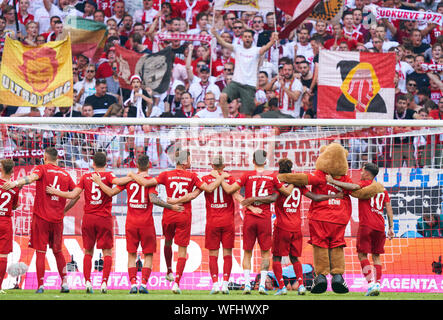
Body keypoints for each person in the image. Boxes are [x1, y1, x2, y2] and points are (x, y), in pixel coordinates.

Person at [127, 149, 226, 294]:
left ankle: (169, 271)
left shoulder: (166, 174)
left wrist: (131, 174)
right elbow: (210, 188)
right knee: (182, 250)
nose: (191, 162)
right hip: (183, 214)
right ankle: (176, 284)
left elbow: (144, 182)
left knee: (168, 241)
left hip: (168, 214)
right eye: (190, 159)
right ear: (185, 161)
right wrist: (221, 177)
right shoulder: (192, 176)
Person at [242, 158, 343, 296]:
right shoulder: (298, 184)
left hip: (282, 226)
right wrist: (336, 195)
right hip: (296, 227)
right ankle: (301, 286)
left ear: (280, 169)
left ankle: (282, 287)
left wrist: (254, 199)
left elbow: (272, 199)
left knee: (276, 258)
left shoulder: (279, 184)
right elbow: (315, 197)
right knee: (295, 258)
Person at [90, 154, 184, 294]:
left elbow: (110, 192)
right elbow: (153, 199)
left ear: (136, 165)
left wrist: (99, 181)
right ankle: (144, 284)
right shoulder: (151, 181)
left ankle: (133, 284)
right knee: (148, 254)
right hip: (146, 223)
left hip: (131, 223)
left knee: (132, 254)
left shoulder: (129, 181)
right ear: (150, 165)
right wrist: (171, 207)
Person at [167, 155, 260, 294]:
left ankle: (215, 284)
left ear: (212, 166)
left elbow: (192, 195)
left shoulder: (205, 179)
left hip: (212, 222)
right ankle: (225, 284)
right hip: (228, 221)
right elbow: (238, 197)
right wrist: (251, 208)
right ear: (224, 166)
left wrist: (175, 200)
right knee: (227, 253)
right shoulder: (229, 178)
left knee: (213, 254)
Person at [46, 151, 131, 294]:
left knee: (88, 252)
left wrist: (56, 192)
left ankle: (87, 282)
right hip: (104, 218)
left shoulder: (86, 176)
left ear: (93, 163)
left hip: (89, 218)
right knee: (107, 252)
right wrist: (131, 176)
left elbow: (73, 194)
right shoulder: (109, 175)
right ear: (106, 163)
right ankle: (104, 283)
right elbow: (117, 183)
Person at [2, 147, 77, 293]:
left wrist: (15, 183)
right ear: (58, 159)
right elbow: (76, 195)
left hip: (41, 218)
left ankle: (41, 285)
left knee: (40, 251)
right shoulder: (65, 174)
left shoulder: (41, 168)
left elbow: (31, 178)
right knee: (58, 251)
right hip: (57, 219)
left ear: (45, 156)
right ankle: (65, 283)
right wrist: (64, 210)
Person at [216, 150, 291, 295]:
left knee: (247, 252)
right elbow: (285, 192)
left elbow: (231, 190)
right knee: (265, 254)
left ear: (253, 161)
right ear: (265, 161)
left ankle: (247, 285)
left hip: (250, 218)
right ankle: (262, 285)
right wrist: (293, 181)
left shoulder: (247, 175)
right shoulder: (272, 177)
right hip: (265, 218)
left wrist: (221, 178)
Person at [326, 162, 394, 296]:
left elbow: (352, 187)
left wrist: (333, 181)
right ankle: (378, 284)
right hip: (380, 226)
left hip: (367, 225)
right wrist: (391, 227)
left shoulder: (365, 184)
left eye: (362, 171)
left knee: (362, 255)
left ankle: (370, 285)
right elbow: (389, 207)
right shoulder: (382, 189)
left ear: (367, 173)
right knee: (376, 257)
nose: (361, 173)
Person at [211, 27, 280, 117]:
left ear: (252, 39)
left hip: (249, 85)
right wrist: (215, 34)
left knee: (246, 114)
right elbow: (223, 43)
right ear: (242, 38)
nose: (247, 38)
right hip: (236, 83)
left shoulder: (256, 50)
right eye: (245, 36)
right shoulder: (237, 48)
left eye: (249, 37)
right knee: (223, 96)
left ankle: (246, 129)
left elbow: (266, 48)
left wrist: (273, 40)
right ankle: (226, 122)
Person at [0, 159, 20, 293]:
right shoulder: (15, 187)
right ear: (12, 171)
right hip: (5, 222)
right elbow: (14, 205)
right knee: (2, 256)